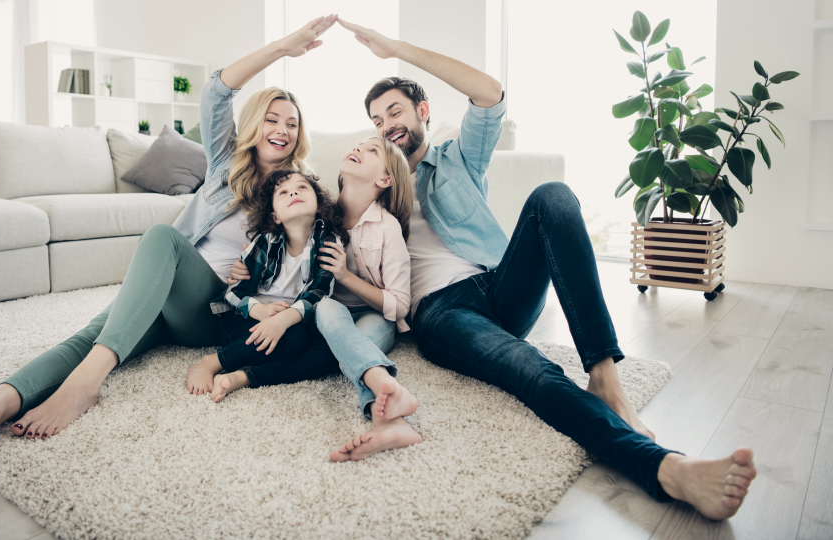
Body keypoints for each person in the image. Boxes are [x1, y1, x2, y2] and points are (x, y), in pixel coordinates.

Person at [321, 18, 758, 520]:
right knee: (533, 370)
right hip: (440, 313)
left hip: (498, 284)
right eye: (376, 122)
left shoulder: (457, 159)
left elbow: (489, 94)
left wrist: (395, 49)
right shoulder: (374, 186)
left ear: (422, 111)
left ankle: (604, 373)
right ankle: (666, 470)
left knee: (553, 195)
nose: (385, 126)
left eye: (394, 111)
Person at [0, 15, 339, 455]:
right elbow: (216, 91)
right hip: (171, 292)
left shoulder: (299, 188)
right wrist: (282, 47)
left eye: (292, 123)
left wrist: (258, 286)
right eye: (272, 119)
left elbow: (308, 257)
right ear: (255, 125)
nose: (282, 131)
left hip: (216, 308)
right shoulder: (226, 165)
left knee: (160, 236)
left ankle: (85, 385)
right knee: (93, 336)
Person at [227, 136, 423, 459]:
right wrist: (244, 269)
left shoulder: (387, 229)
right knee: (330, 312)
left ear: (384, 180)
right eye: (360, 145)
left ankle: (386, 418)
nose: (359, 148)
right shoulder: (318, 212)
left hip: (375, 316)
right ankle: (391, 414)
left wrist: (346, 276)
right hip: (326, 313)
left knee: (350, 348)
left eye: (372, 150)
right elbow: (281, 249)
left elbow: (400, 305)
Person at [185, 169, 342, 398]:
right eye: (283, 192)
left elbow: (320, 291)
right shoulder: (265, 242)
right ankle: (212, 362)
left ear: (318, 204)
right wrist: (261, 311)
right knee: (295, 340)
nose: (293, 193)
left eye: (302, 188)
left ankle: (243, 377)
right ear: (275, 216)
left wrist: (283, 320)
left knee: (328, 353)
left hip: (294, 321)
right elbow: (234, 292)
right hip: (247, 320)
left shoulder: (328, 241)